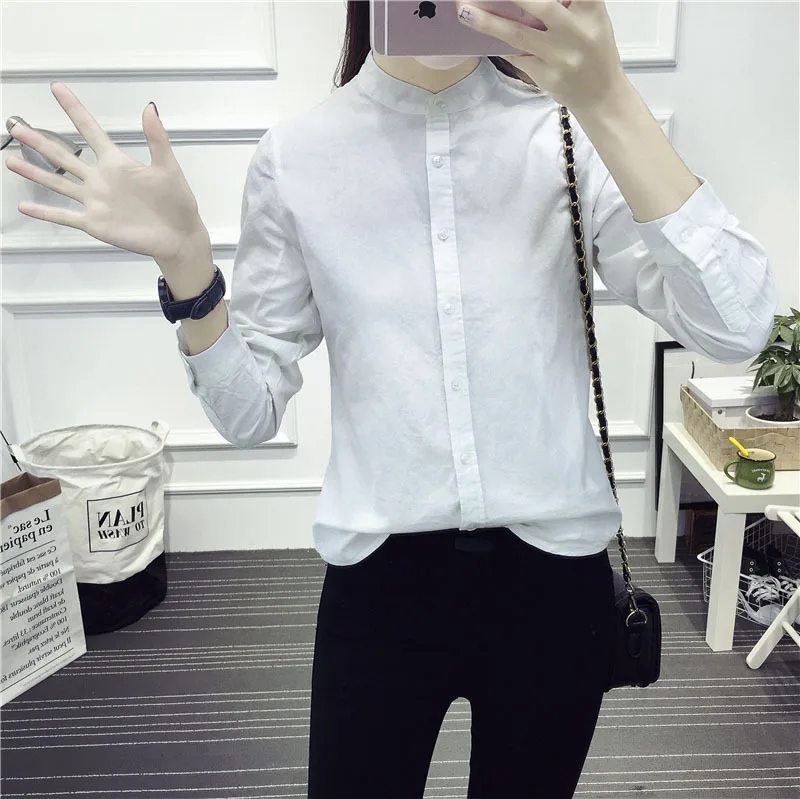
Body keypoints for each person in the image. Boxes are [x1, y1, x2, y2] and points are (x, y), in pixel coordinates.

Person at [4, 2, 777, 796]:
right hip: (381, 589)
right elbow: (249, 411)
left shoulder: (567, 136)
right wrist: (189, 272)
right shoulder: (298, 158)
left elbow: (736, 325)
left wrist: (609, 95)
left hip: (553, 584)